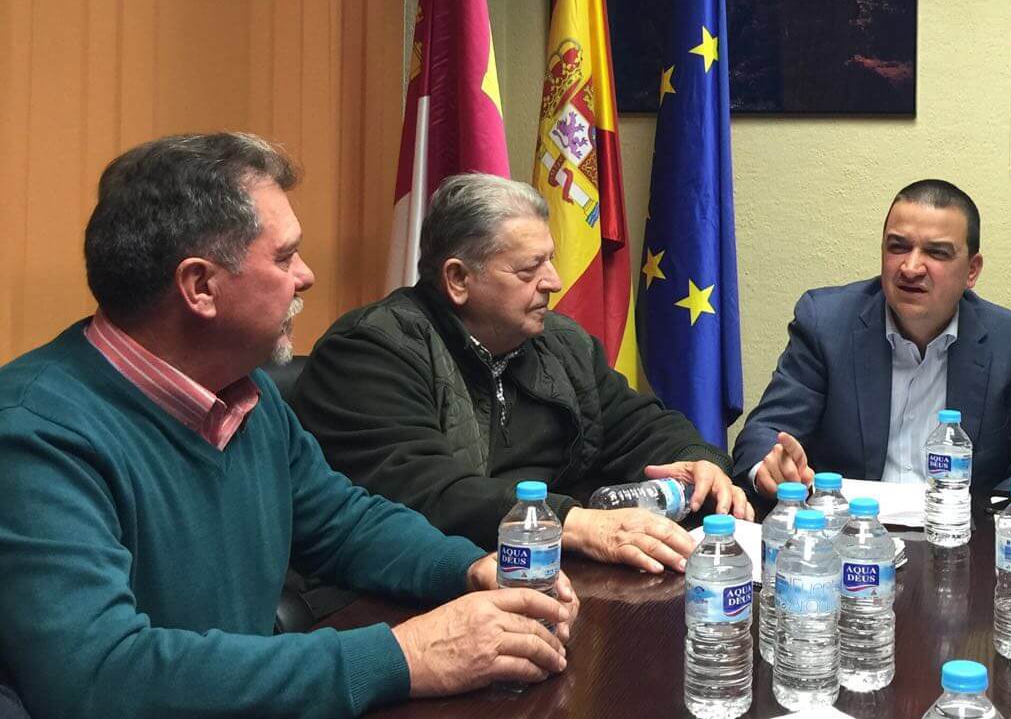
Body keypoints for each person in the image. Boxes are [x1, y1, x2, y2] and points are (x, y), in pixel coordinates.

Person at [0, 134, 578, 719]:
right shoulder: (36, 436)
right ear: (200, 286)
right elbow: (100, 677)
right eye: (283, 257)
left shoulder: (243, 392)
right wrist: (402, 656)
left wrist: (470, 569)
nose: (305, 276)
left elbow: (343, 524)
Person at [293, 173, 752, 575]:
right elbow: (426, 492)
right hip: (413, 592)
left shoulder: (560, 342)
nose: (553, 281)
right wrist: (575, 522)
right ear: (458, 279)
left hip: (544, 573)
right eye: (530, 268)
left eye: (549, 259)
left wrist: (699, 460)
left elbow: (642, 425)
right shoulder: (371, 350)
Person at [730, 179, 1011, 500]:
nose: (911, 267)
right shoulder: (825, 324)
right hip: (850, 535)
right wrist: (770, 467)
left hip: (958, 539)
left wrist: (984, 521)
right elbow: (765, 432)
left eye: (937, 252)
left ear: (972, 270)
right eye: (898, 247)